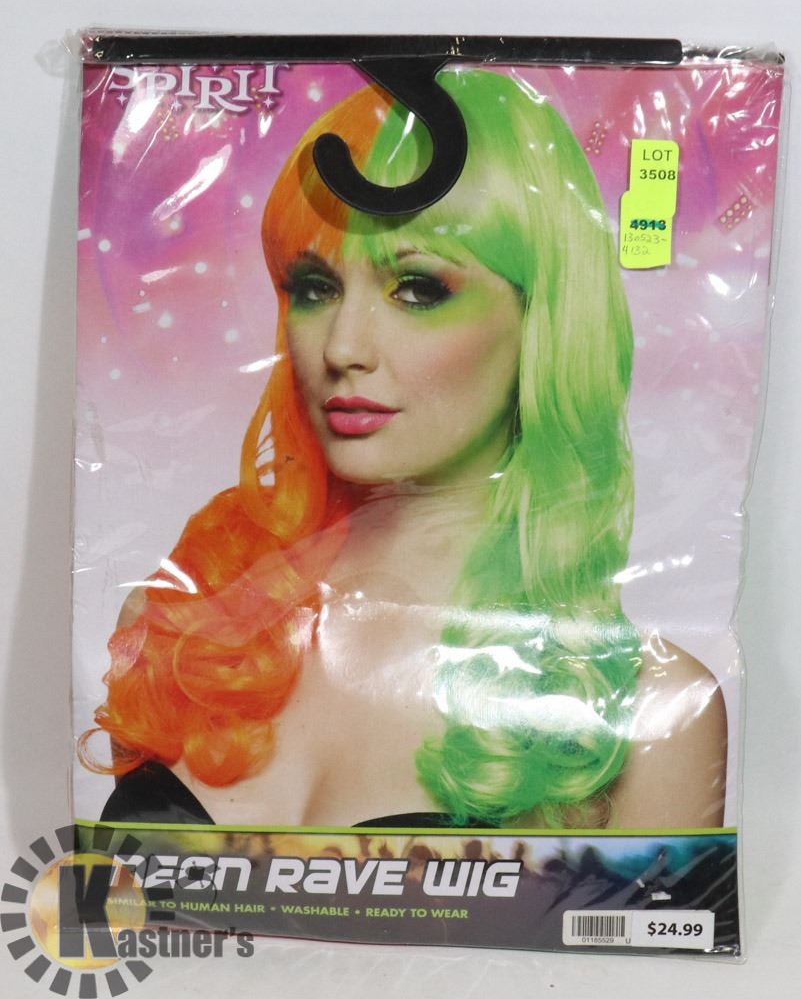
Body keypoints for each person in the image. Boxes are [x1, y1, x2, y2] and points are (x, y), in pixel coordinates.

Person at [82, 69, 727, 830]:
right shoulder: (183, 630)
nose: (342, 348)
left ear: (543, 319)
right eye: (315, 287)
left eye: (418, 289)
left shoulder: (649, 718)